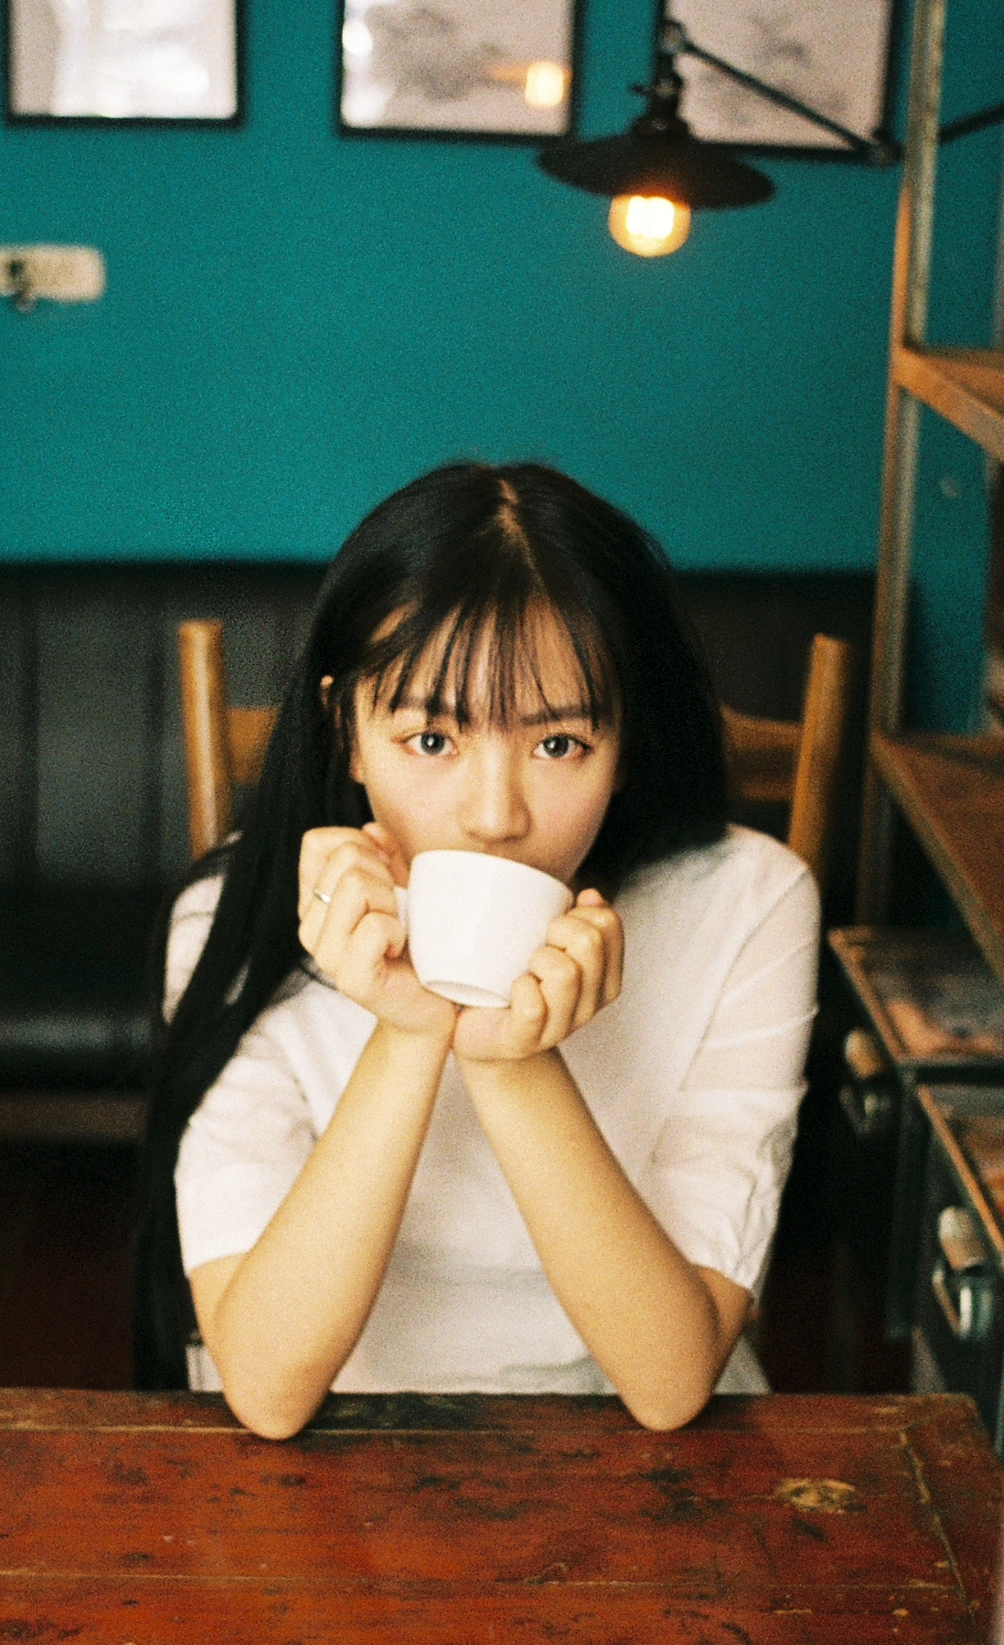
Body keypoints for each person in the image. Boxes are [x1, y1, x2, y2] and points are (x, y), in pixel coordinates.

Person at [134, 462, 816, 1438]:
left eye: (557, 744)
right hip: (335, 1439)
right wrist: (409, 1032)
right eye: (431, 741)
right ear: (345, 730)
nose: (495, 816)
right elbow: (270, 1389)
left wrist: (509, 1059)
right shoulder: (229, 917)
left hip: (627, 1443)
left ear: (625, 744)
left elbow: (669, 1383)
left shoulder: (748, 903)